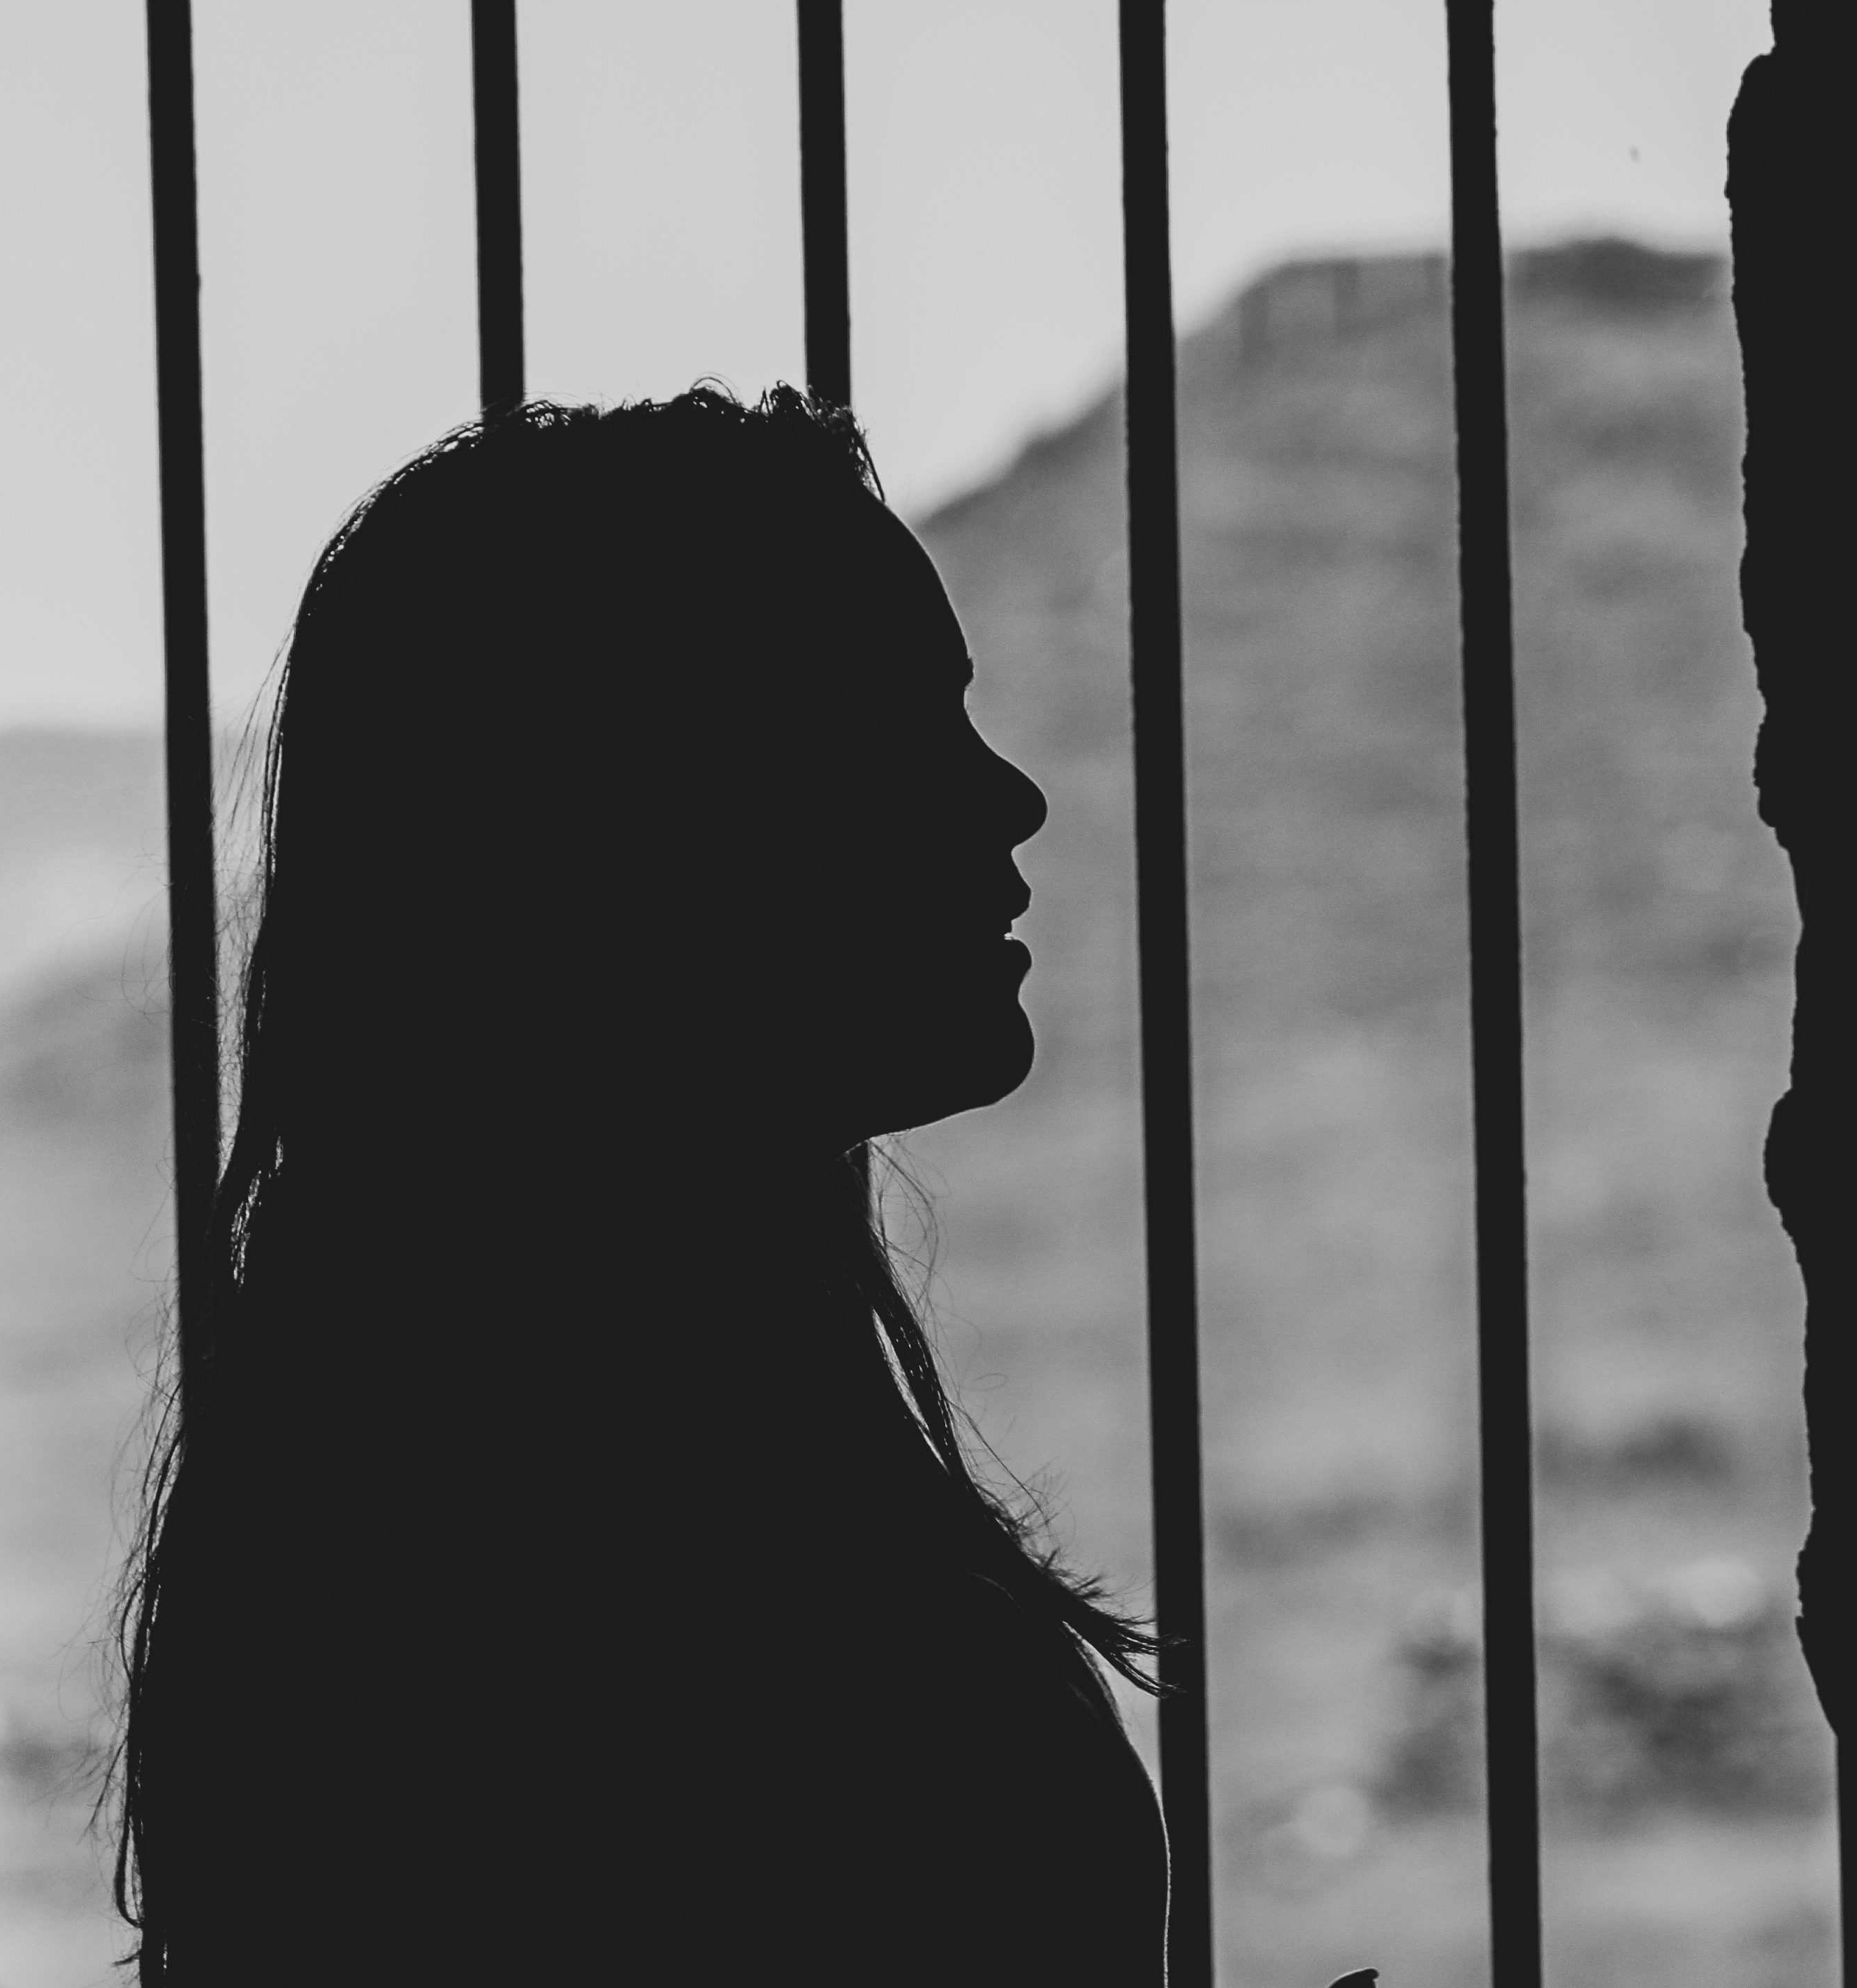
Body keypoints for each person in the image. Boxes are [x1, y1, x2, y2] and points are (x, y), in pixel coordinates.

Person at [111, 386, 1170, 1981]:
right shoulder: (613, 1556)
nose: (1003, 798)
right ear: (644, 822)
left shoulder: (434, 1478)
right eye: (886, 727)